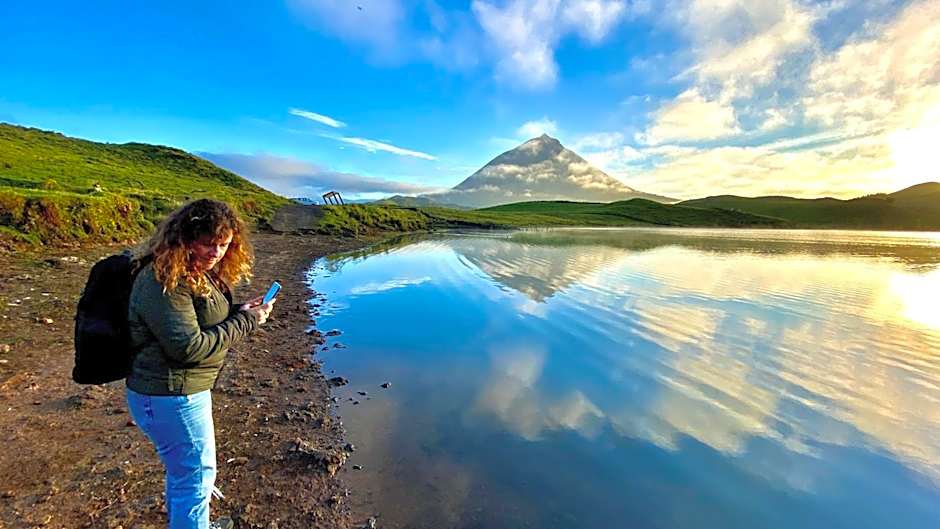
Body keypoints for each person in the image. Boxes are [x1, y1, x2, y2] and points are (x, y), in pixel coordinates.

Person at [125, 199, 274, 529]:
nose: (216, 252)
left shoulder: (193, 272)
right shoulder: (164, 280)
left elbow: (198, 319)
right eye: (208, 243)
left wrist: (238, 311)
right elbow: (188, 348)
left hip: (177, 393)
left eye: (224, 245)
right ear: (185, 238)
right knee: (195, 480)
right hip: (171, 395)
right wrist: (248, 322)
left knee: (186, 475)